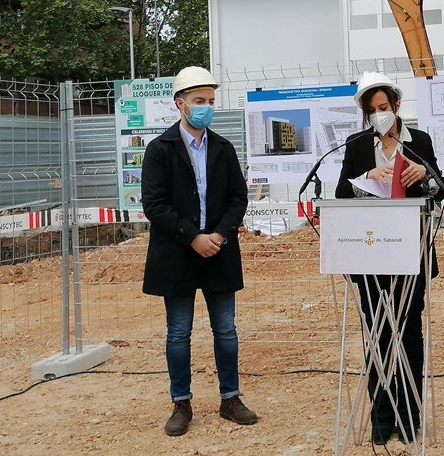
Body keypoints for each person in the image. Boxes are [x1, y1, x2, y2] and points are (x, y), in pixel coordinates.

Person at [141, 66, 257, 436]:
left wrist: (219, 235)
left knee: (226, 330)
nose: (206, 107)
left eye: (210, 101)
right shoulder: (159, 150)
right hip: (177, 253)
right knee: (178, 332)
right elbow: (154, 205)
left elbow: (239, 197)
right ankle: (181, 403)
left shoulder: (222, 148)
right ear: (180, 103)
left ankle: (230, 398)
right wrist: (193, 237)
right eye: (198, 101)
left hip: (219, 252)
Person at [335, 71, 444, 445]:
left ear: (397, 106)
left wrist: (425, 174)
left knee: (409, 331)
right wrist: (366, 174)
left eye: (384, 107)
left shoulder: (420, 142)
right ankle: (382, 414)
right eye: (372, 110)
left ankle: (410, 413)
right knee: (378, 333)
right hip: (369, 254)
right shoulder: (355, 146)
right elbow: (340, 194)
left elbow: (439, 190)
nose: (379, 114)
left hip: (410, 254)